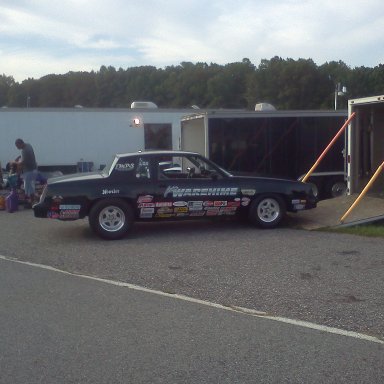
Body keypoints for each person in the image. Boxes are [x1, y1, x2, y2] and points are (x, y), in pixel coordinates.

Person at [14, 138, 38, 207]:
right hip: (33, 169)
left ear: (20, 144)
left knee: (29, 188)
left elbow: (22, 162)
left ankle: (32, 202)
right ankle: (34, 200)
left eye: (17, 146)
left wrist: (14, 162)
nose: (17, 147)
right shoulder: (28, 145)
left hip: (29, 171)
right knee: (29, 187)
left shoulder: (25, 150)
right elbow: (26, 158)